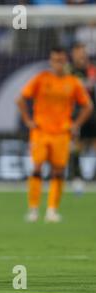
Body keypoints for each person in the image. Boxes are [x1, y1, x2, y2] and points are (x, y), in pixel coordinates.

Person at [17, 47, 93, 223]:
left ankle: (52, 210)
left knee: (58, 171)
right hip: (41, 132)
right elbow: (20, 98)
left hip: (62, 133)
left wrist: (76, 125)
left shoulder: (73, 82)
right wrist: (28, 120)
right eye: (55, 60)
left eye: (61, 60)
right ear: (51, 61)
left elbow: (87, 106)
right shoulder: (41, 79)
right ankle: (33, 209)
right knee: (37, 168)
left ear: (65, 62)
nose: (58, 64)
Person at [69, 43, 96, 194]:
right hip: (76, 112)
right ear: (73, 55)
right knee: (75, 145)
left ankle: (92, 176)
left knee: (94, 143)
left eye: (82, 52)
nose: (80, 55)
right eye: (77, 53)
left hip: (92, 111)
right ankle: (76, 176)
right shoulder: (69, 71)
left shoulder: (92, 69)